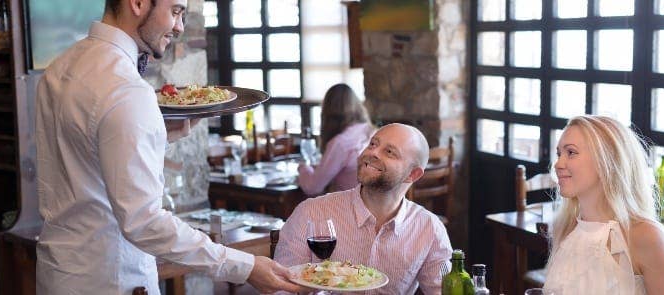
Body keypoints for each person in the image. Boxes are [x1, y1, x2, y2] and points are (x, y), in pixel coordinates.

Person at [35, 0, 304, 293]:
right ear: (137, 3)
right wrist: (245, 266)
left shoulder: (58, 68)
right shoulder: (127, 90)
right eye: (175, 11)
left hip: (57, 274)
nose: (179, 26)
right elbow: (143, 221)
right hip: (111, 280)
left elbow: (83, 159)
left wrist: (157, 137)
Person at [275, 123, 453, 294]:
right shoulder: (311, 212)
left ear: (412, 174)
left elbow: (442, 291)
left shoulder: (429, 228)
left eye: (389, 152)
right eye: (373, 144)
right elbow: (280, 289)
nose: (373, 152)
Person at [544, 115, 664, 294]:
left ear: (607, 161)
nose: (558, 164)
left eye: (571, 152)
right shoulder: (567, 228)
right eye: (559, 154)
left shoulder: (648, 237)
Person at [297, 84, 374, 196]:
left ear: (327, 111)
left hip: (348, 207)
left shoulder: (340, 143)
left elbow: (313, 187)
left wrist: (303, 168)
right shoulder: (370, 130)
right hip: (373, 205)